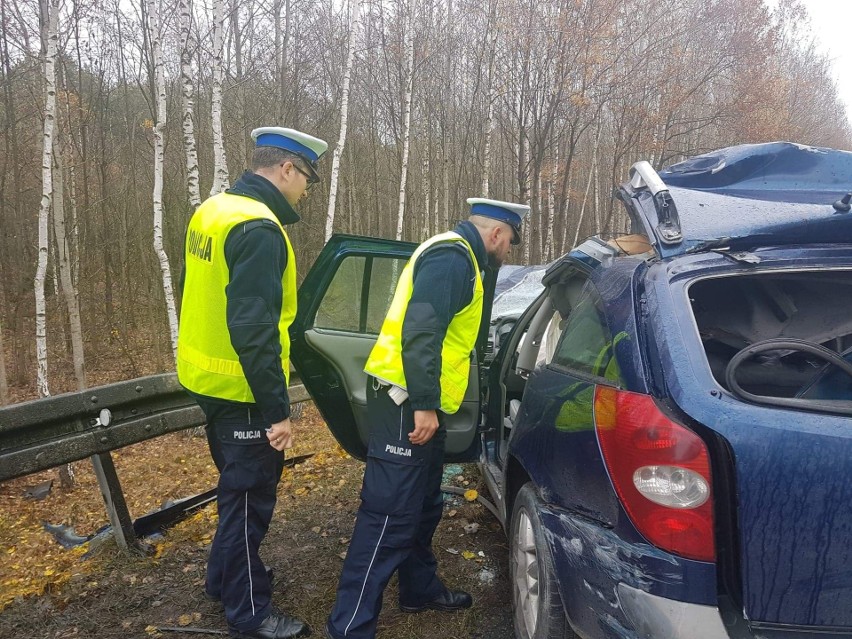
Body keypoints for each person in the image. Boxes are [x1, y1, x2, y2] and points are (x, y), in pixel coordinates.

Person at [325, 198, 529, 639]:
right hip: (405, 403)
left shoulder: (459, 258)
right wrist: (422, 404)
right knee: (388, 517)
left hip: (416, 402)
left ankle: (418, 589)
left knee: (423, 506)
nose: (508, 251)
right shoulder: (452, 259)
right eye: (510, 241)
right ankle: (349, 627)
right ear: (496, 234)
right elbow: (421, 329)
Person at [177, 127, 327, 639]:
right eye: (308, 177)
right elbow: (253, 326)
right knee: (247, 502)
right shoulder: (259, 229)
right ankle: (250, 612)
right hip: (242, 391)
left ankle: (223, 581)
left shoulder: (214, 209)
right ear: (286, 169)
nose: (307, 189)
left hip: (205, 378)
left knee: (234, 490)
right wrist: (275, 410)